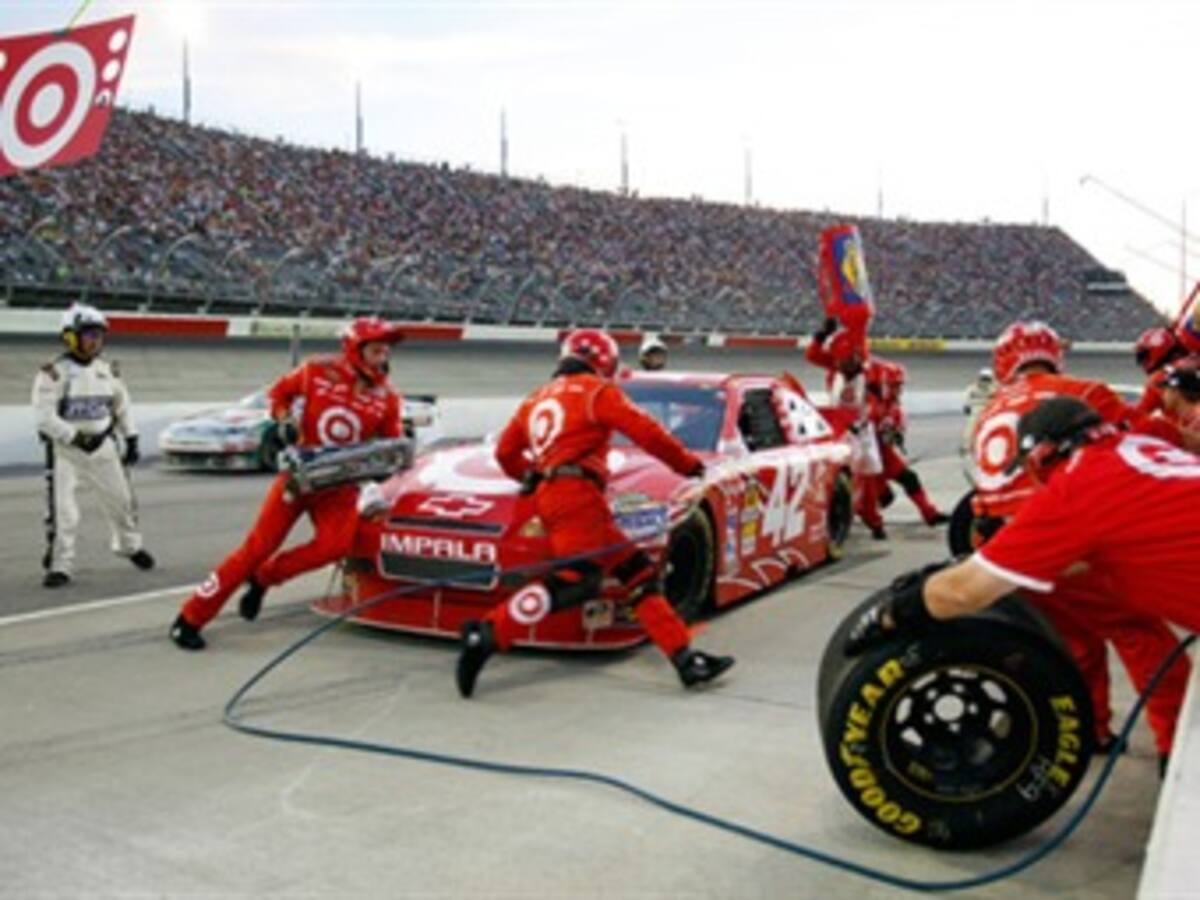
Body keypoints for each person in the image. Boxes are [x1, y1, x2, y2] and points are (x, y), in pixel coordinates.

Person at [846, 396, 1197, 771]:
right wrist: (998, 560)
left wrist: (891, 613)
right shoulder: (1141, 445)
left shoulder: (1077, 489)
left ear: (1042, 455)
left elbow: (963, 593)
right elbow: (1089, 557)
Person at [455, 328, 734, 697]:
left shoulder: (535, 399)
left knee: (638, 574)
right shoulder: (596, 392)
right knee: (577, 581)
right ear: (606, 363)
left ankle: (685, 660)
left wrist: (532, 475)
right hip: (578, 496)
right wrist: (687, 465)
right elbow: (646, 431)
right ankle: (487, 633)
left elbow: (505, 453)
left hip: (560, 496)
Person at [963, 321, 1186, 756]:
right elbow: (1160, 440)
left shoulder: (988, 410)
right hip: (1068, 539)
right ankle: (1176, 746)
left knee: (1078, 641)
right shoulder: (1084, 393)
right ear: (1053, 355)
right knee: (1139, 631)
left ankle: (1091, 730)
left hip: (1003, 549)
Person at [170, 317, 404, 650]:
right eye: (376, 350)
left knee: (335, 546)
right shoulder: (316, 370)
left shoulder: (389, 397)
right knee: (256, 548)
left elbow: (390, 445)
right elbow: (278, 395)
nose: (382, 358)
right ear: (355, 348)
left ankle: (264, 578)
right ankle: (190, 617)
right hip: (298, 477)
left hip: (340, 486)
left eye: (386, 351)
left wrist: (384, 466)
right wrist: (284, 422)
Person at [32, 303, 154, 588]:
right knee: (64, 512)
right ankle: (61, 566)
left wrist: (131, 436)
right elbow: (44, 418)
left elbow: (122, 406)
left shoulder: (108, 370)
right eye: (88, 334)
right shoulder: (53, 373)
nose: (96, 340)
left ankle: (129, 546)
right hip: (66, 450)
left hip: (103, 446)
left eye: (99, 334)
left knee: (122, 502)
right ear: (70, 337)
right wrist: (75, 437)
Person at [806, 318, 886, 537]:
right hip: (838, 429)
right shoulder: (834, 366)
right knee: (837, 474)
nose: (843, 365)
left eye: (848, 360)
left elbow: (882, 404)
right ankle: (836, 516)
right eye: (839, 360)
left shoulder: (874, 373)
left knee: (867, 475)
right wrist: (820, 336)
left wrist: (876, 414)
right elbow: (812, 355)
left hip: (861, 430)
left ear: (859, 356)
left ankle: (874, 521)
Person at [865, 357, 948, 526]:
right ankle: (865, 518)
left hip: (882, 452)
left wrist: (896, 434)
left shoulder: (892, 404)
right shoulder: (867, 402)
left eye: (899, 386)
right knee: (884, 498)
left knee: (909, 478)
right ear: (883, 383)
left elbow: (897, 425)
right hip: (867, 455)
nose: (899, 389)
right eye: (895, 385)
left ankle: (930, 515)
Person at [1133, 326, 1188, 417]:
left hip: (1185, 428)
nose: (1142, 362)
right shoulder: (1193, 362)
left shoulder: (1159, 377)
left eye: (1142, 356)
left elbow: (1139, 414)